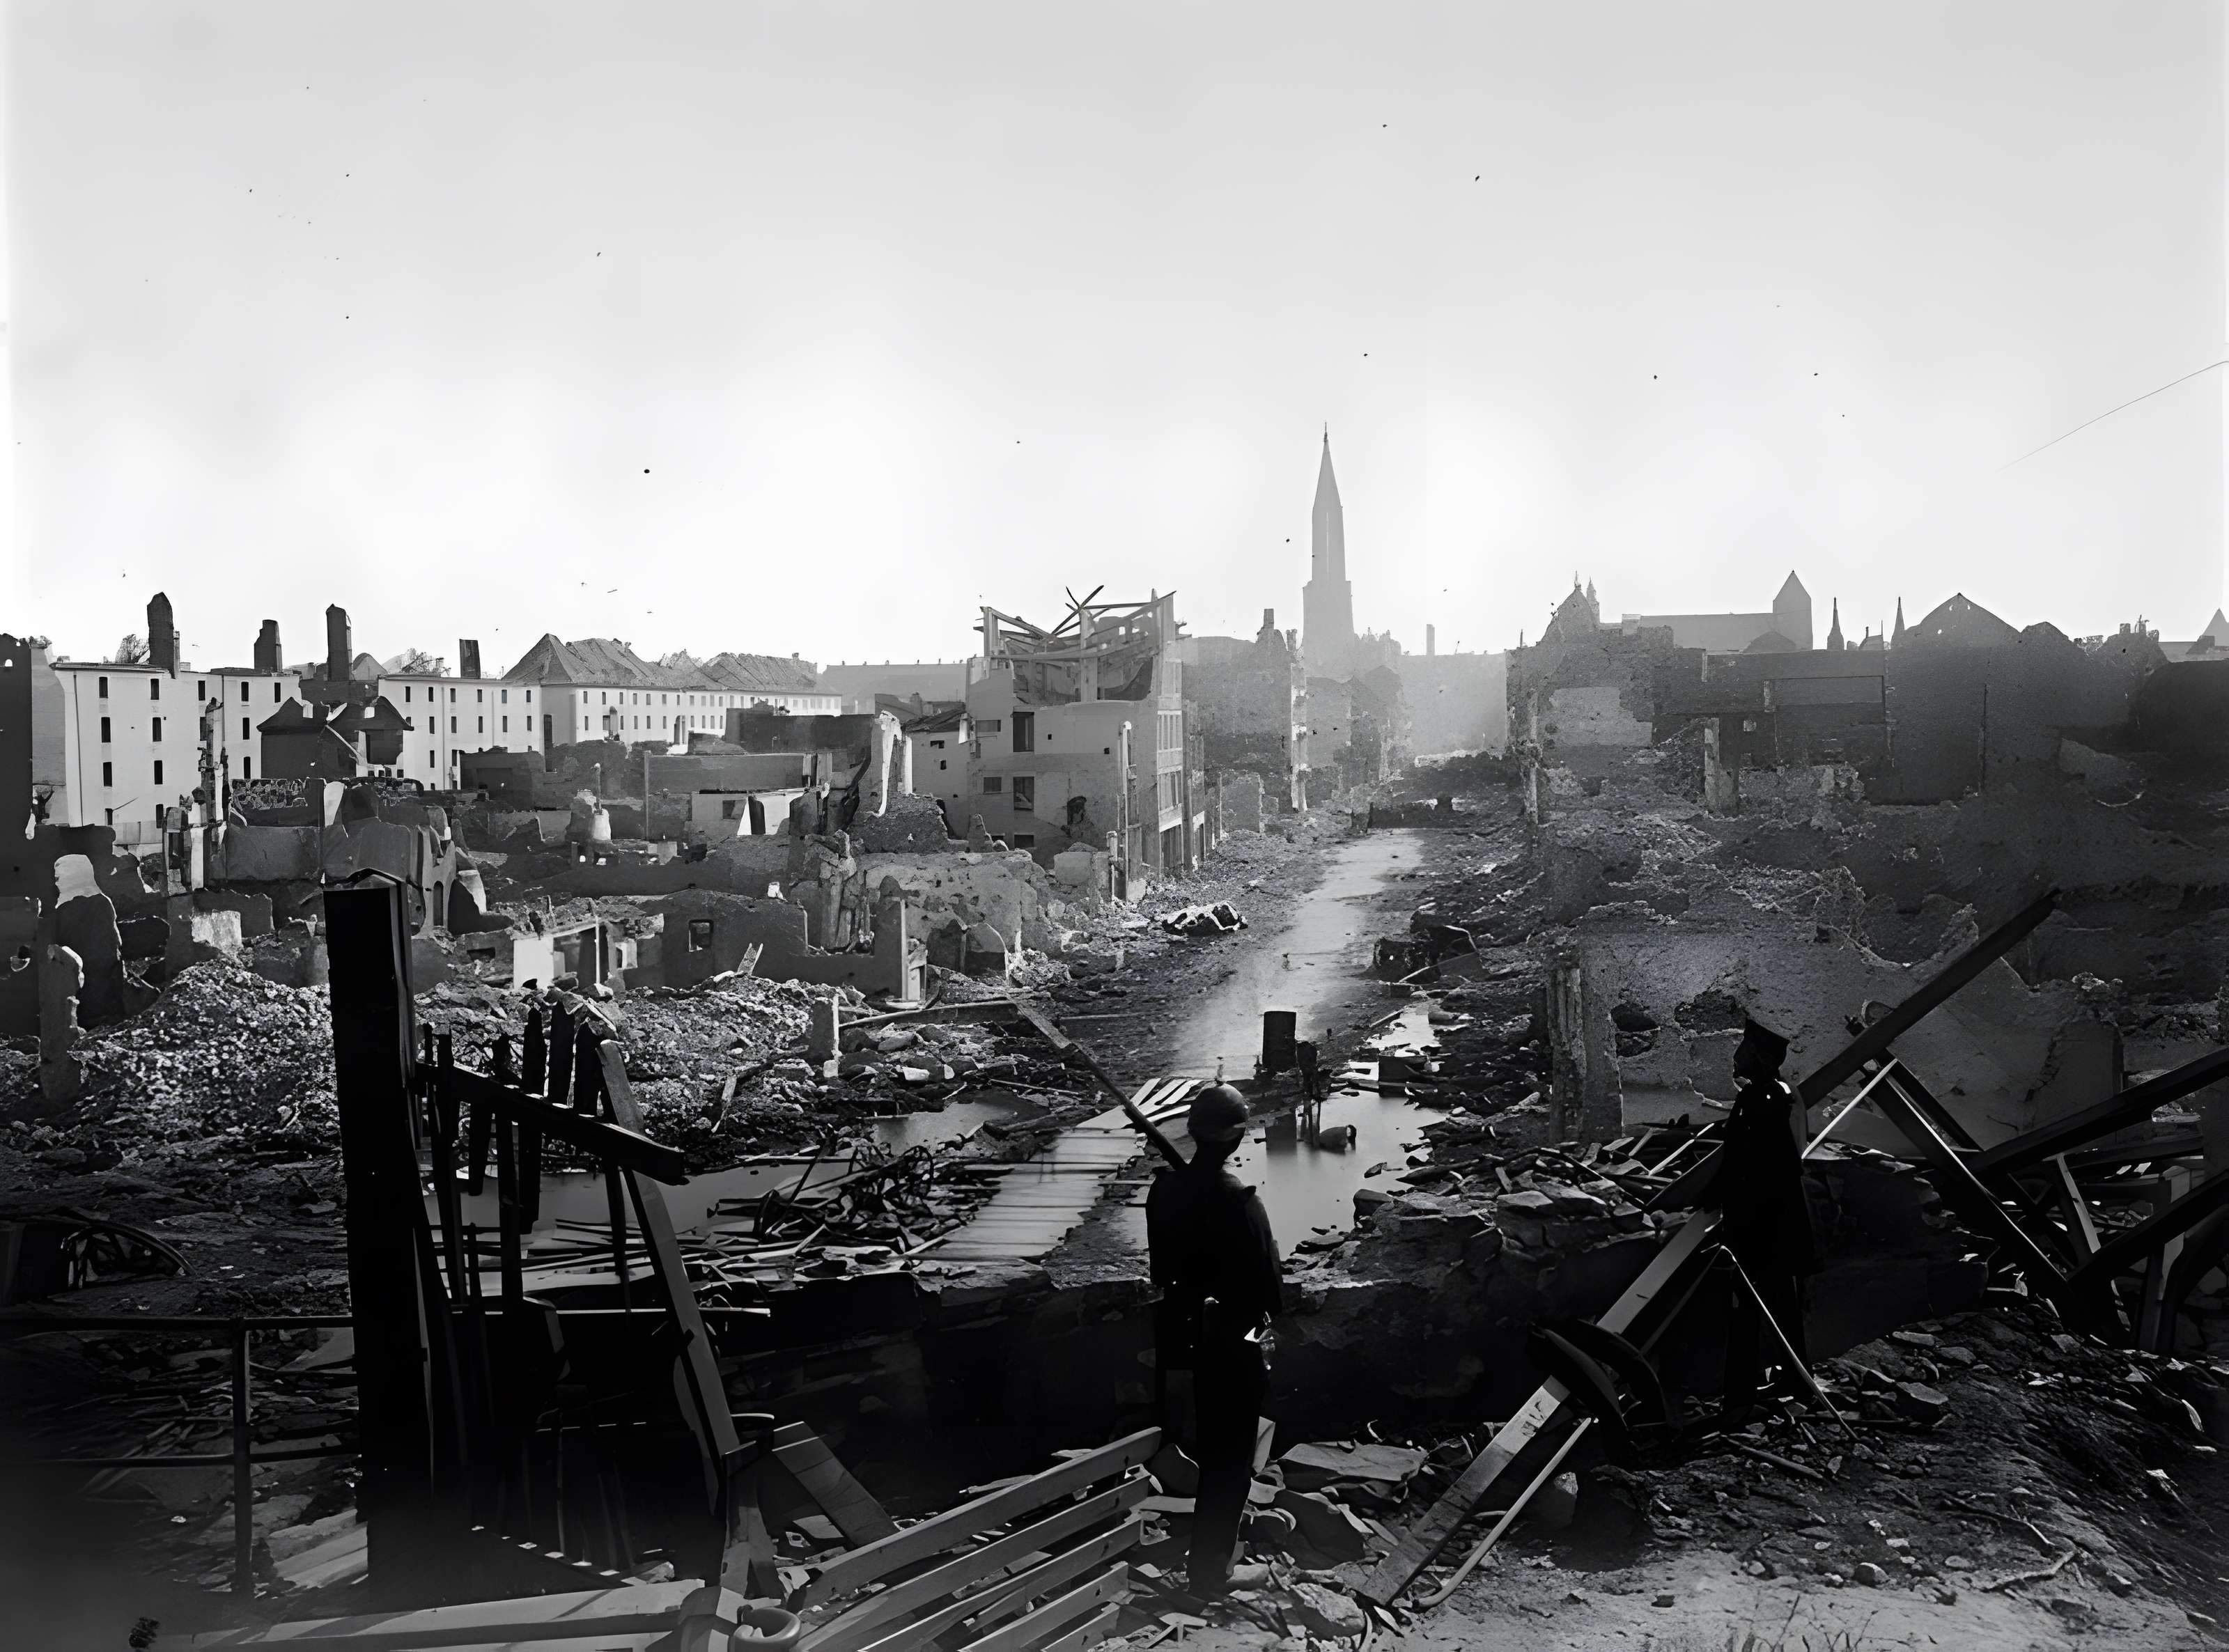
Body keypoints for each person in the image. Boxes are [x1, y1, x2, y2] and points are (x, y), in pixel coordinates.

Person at [1145, 1084, 1283, 1597]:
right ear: (1236, 1137)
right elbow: (1269, 1292)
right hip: (1232, 1340)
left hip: (1179, 1335)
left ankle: (1195, 1551)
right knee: (1229, 1460)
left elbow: (1163, 1268)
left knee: (1187, 1448)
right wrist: (1260, 1343)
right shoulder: (1241, 1201)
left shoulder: (1165, 1191)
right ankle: (1210, 1571)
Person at [1700, 1017, 1819, 1426]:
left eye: (1744, 1051)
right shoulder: (1787, 1095)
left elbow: (1757, 1164)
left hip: (1761, 1224)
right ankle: (1800, 1384)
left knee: (1747, 1307)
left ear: (1761, 1059)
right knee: (1783, 1305)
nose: (1736, 1058)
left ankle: (1738, 1400)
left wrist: (1719, 1198)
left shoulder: (1762, 1100)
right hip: (1781, 1220)